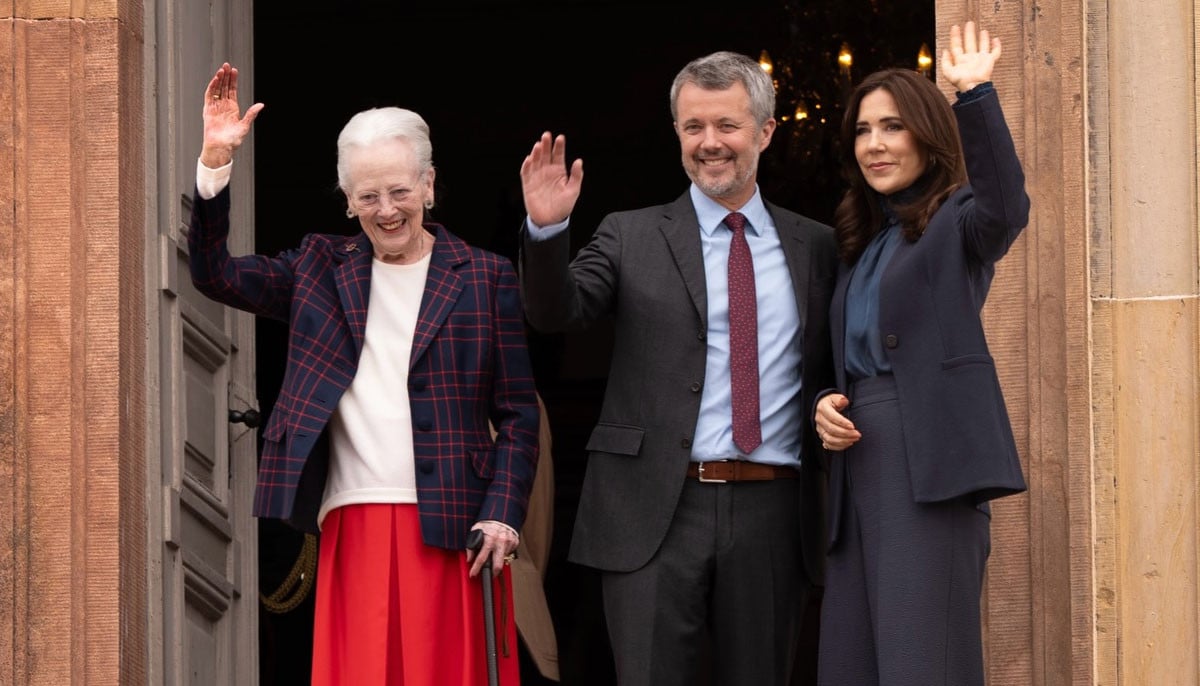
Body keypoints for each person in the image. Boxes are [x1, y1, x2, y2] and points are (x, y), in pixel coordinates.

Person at [188, 63, 540, 685]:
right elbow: (215, 274)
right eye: (368, 196)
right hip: (356, 521)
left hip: (458, 527)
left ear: (429, 185)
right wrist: (216, 165)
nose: (386, 211)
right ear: (347, 199)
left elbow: (516, 414)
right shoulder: (319, 268)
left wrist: (503, 512)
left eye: (400, 191)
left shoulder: (486, 277)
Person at [518, 51, 838, 686]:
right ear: (677, 134)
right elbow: (557, 313)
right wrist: (547, 232)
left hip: (773, 510)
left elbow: (836, 363)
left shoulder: (818, 245)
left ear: (766, 131)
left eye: (727, 125)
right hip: (652, 512)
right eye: (693, 127)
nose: (709, 143)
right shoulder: (629, 234)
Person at [812, 21, 1030, 686]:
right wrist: (825, 402)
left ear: (927, 136)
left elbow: (1006, 208)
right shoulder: (860, 243)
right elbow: (846, 358)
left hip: (928, 468)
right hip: (858, 476)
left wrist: (976, 97)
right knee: (851, 665)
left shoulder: (957, 220)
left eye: (893, 127)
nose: (874, 144)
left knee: (920, 664)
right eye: (862, 130)